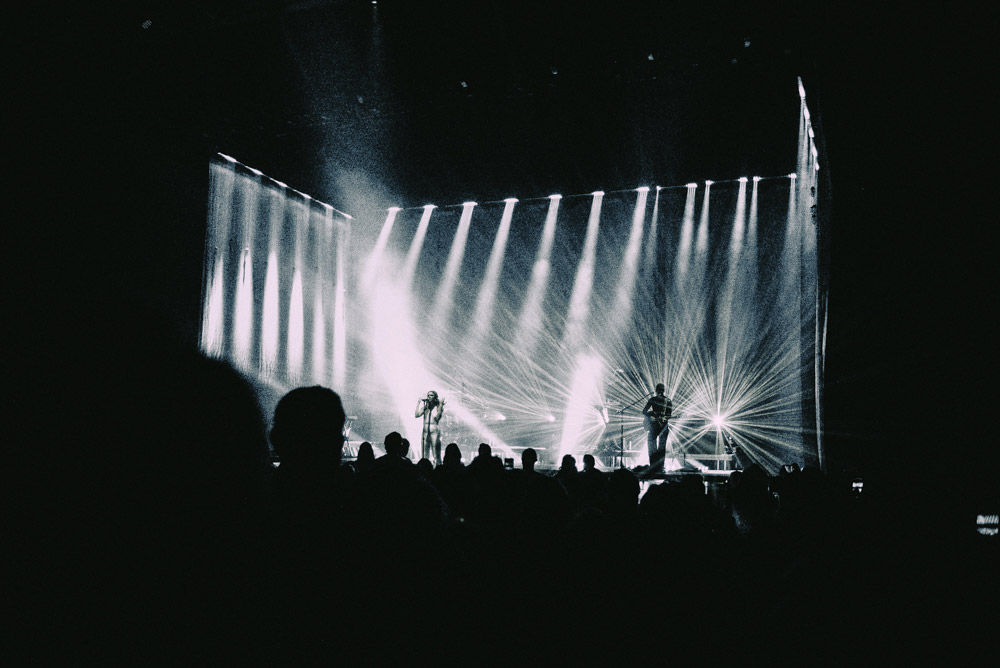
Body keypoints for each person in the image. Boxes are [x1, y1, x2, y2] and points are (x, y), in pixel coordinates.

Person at [642, 383, 673, 473]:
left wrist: (652, 415)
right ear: (664, 390)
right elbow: (669, 415)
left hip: (655, 425)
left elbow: (644, 411)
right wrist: (654, 415)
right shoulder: (668, 400)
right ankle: (660, 467)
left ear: (656, 390)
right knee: (661, 447)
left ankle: (653, 466)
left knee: (652, 446)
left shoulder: (653, 399)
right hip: (661, 426)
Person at [414, 390, 445, 465]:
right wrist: (418, 403)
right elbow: (417, 415)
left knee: (435, 450)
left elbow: (437, 417)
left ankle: (437, 466)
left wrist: (440, 405)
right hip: (425, 431)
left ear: (435, 397)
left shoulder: (438, 407)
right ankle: (425, 467)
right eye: (428, 395)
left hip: (434, 430)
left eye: (431, 395)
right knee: (424, 451)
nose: (429, 397)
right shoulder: (426, 407)